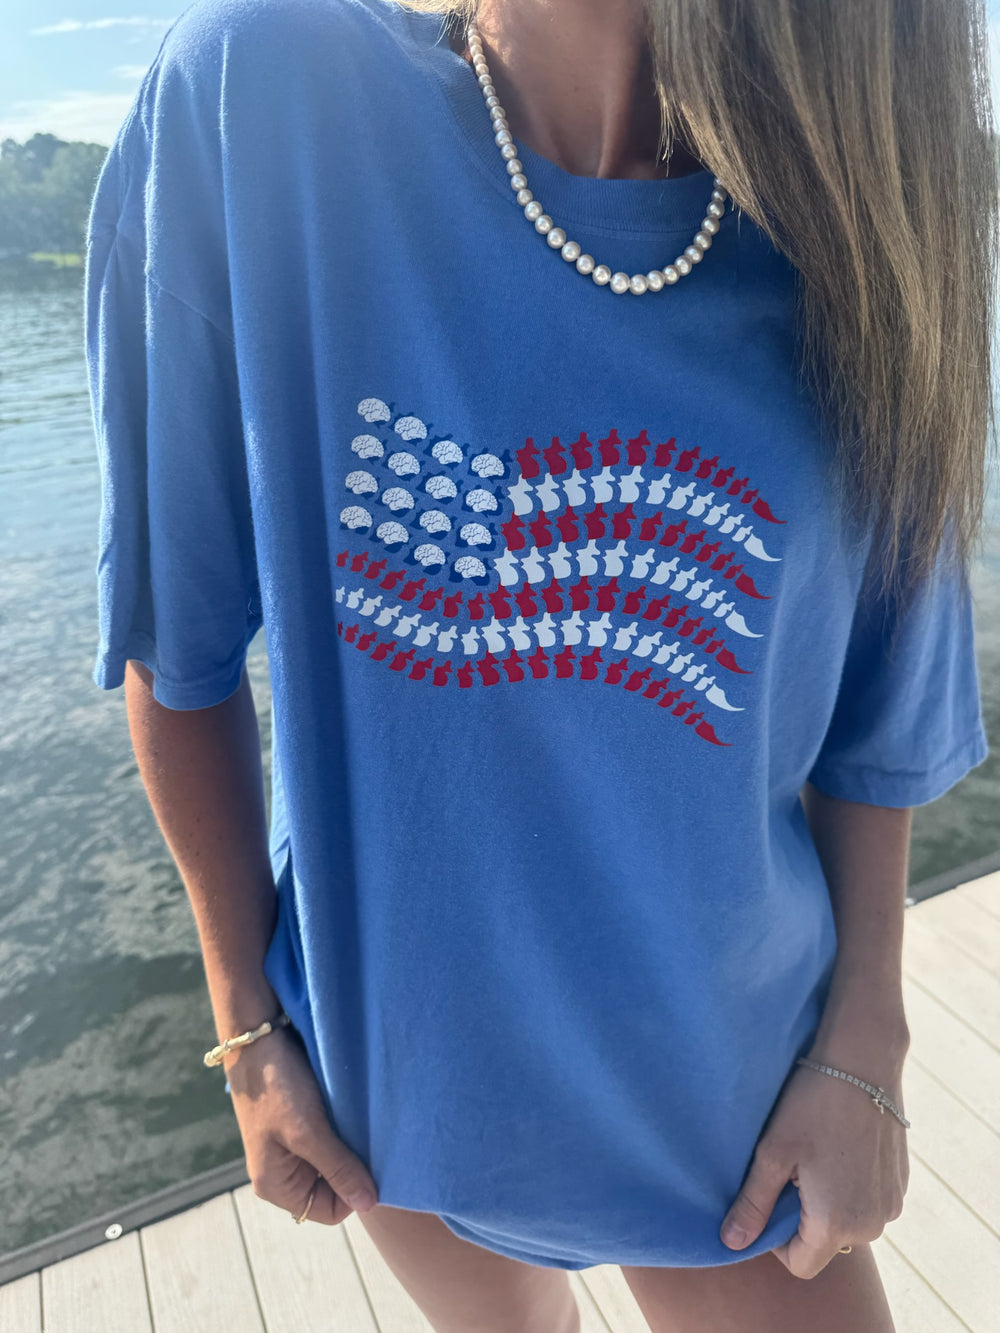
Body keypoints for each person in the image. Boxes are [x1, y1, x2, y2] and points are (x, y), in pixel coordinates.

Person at [84, 0, 994, 1329]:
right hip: (390, 1100)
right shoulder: (262, 98)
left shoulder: (862, 203)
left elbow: (882, 714)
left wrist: (869, 1039)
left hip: (738, 1115)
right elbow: (178, 644)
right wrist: (246, 1028)